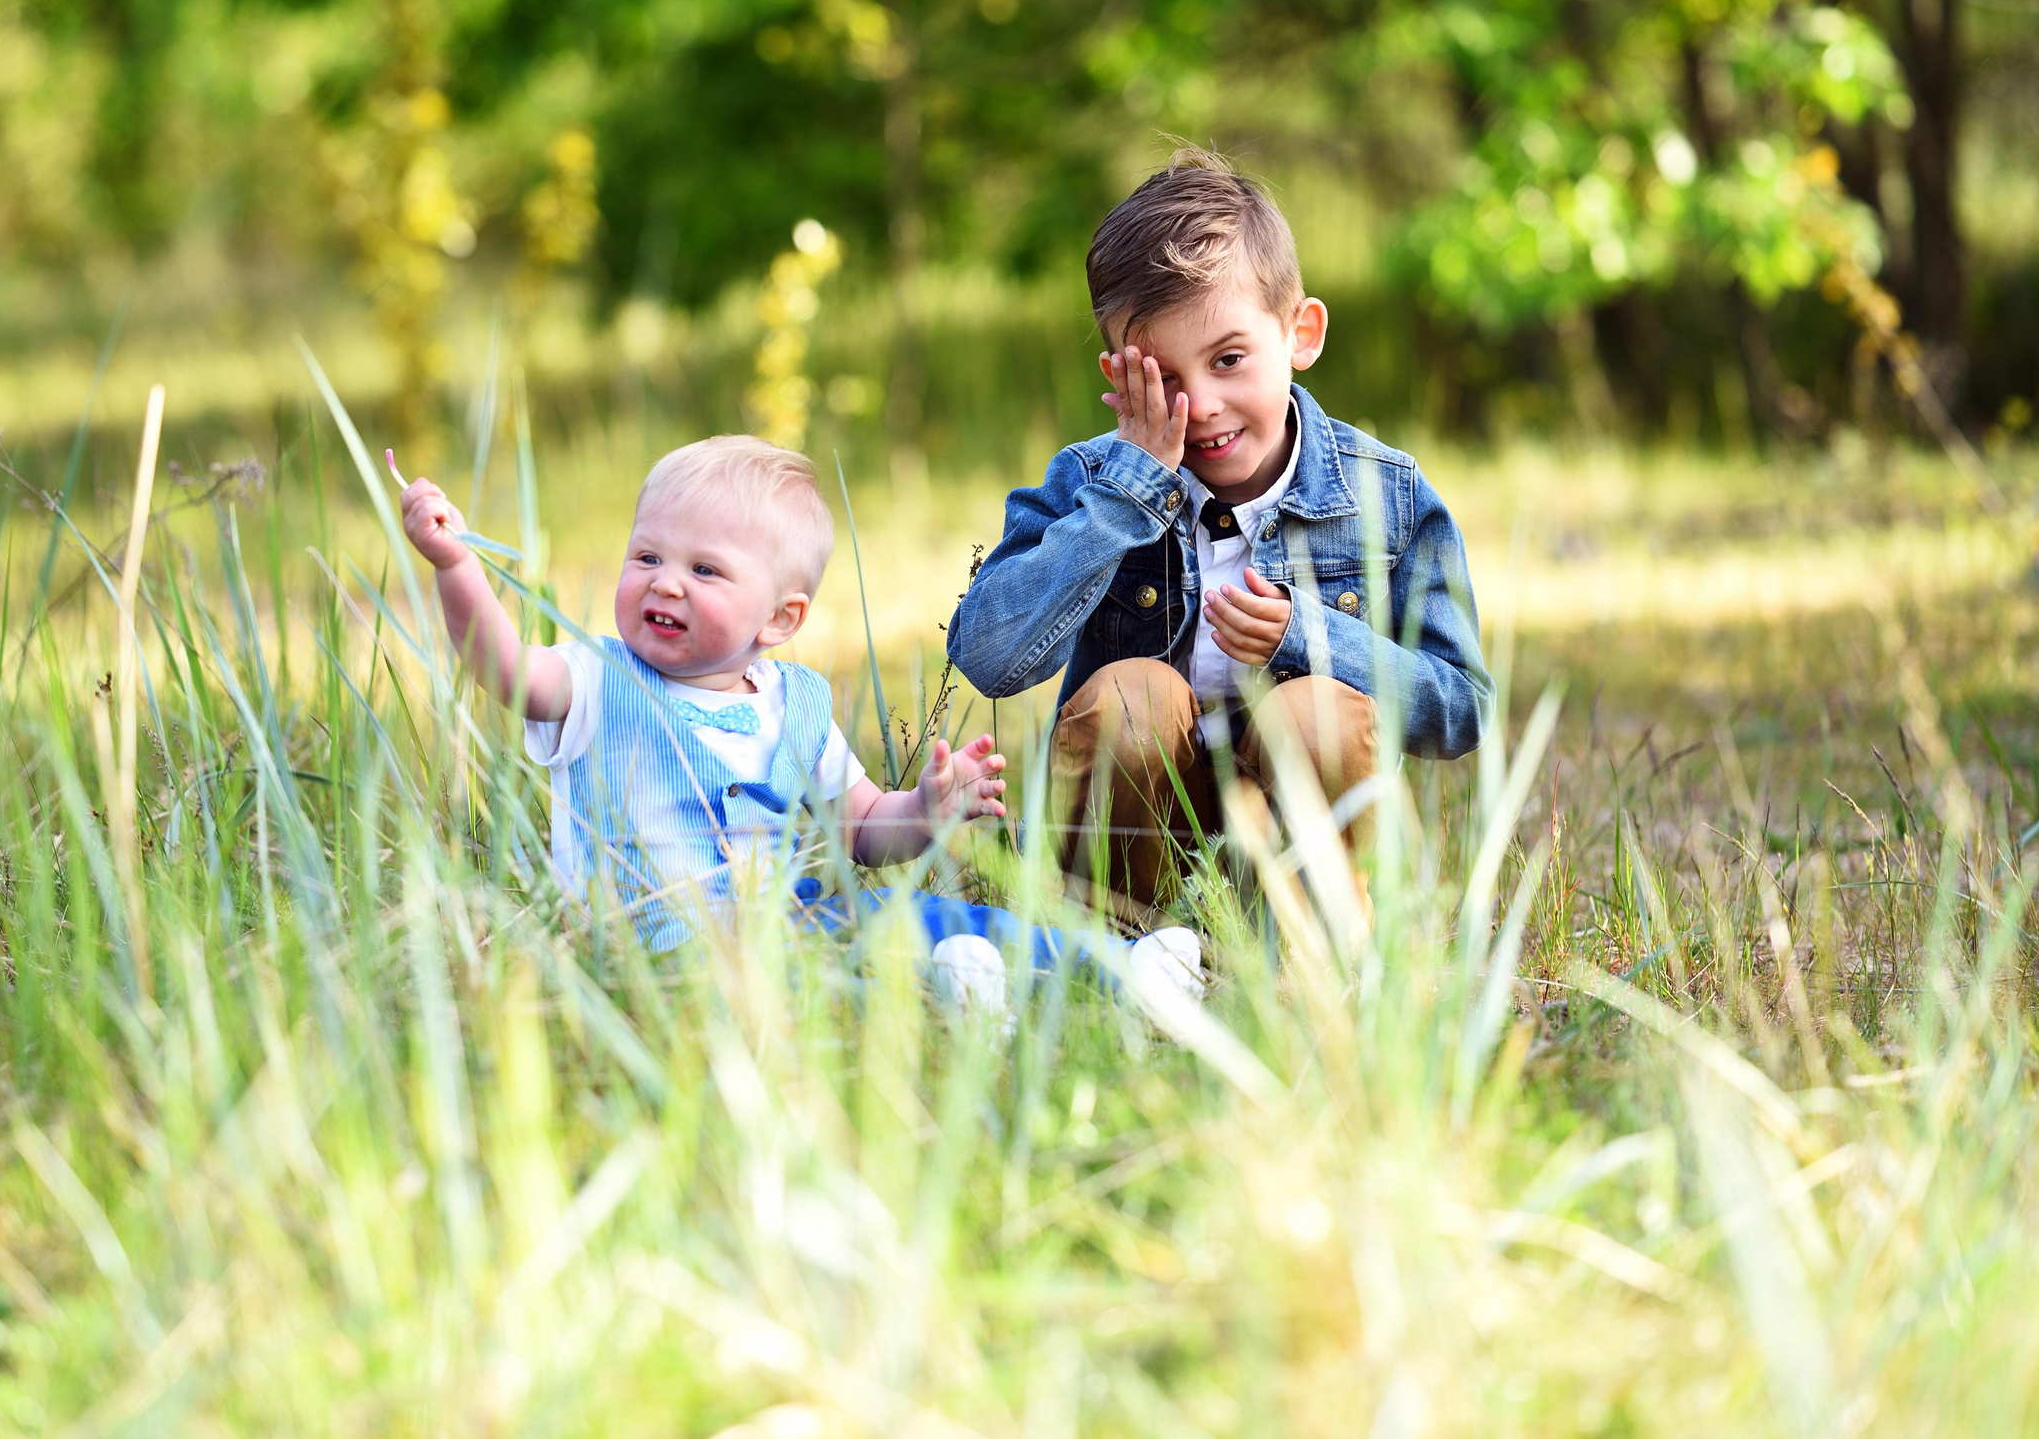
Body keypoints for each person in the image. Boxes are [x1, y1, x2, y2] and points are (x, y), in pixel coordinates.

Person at [396, 434, 1206, 1009]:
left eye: (704, 569)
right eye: (646, 557)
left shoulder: (795, 703)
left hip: (799, 913)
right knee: (810, 984)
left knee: (929, 917)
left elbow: (863, 828)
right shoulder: (595, 680)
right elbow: (501, 669)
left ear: (780, 617)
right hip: (663, 951)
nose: (665, 584)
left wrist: (927, 807)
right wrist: (457, 568)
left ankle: (1123, 967)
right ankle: (941, 989)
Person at [946, 146, 1491, 924]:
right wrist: (1124, 499)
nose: (1198, 404)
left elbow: (1461, 709)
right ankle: (1119, 935)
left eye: (1228, 359)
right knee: (1134, 698)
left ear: (1301, 333)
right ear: (1115, 371)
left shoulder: (1386, 496)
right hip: (1138, 837)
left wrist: (1307, 634)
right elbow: (989, 657)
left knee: (1319, 713)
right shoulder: (1090, 483)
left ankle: (1313, 947)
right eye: (1161, 376)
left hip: (1290, 836)